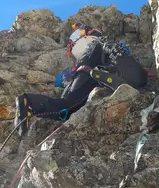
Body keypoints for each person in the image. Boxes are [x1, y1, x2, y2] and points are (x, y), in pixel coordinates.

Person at [14, 23, 148, 135]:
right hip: (95, 71)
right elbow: (116, 53)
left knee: (66, 107)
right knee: (68, 107)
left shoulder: (82, 58)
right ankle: (29, 101)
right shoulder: (98, 43)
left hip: (84, 75)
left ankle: (30, 103)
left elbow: (58, 81)